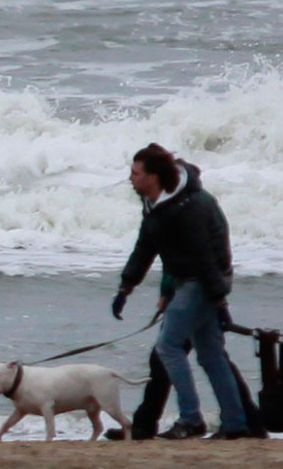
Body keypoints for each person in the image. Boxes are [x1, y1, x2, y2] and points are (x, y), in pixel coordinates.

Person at [111, 143, 251, 439]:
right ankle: (236, 424)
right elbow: (146, 246)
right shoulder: (155, 203)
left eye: (136, 173)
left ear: (154, 176)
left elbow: (206, 257)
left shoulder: (190, 207)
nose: (131, 179)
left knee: (168, 346)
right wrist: (126, 286)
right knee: (211, 354)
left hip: (201, 280)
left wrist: (218, 299)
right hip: (189, 280)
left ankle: (191, 419)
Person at [105, 273, 267, 441]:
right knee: (213, 359)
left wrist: (167, 293)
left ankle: (152, 425)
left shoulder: (189, 250)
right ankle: (248, 422)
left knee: (174, 356)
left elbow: (184, 262)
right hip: (195, 292)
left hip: (192, 295)